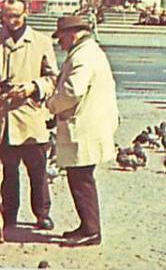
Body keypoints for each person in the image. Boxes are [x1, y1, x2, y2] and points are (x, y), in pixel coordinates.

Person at [0, 0, 58, 232]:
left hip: (31, 115)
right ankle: (9, 212)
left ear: (25, 14)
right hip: (4, 118)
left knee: (38, 170)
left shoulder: (41, 42)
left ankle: (42, 213)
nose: (11, 21)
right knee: (9, 171)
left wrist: (34, 87)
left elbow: (53, 78)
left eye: (16, 16)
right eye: (6, 16)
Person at [46, 15, 118, 247]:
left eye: (61, 38)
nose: (60, 43)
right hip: (93, 124)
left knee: (81, 179)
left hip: (85, 127)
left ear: (73, 34)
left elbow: (72, 91)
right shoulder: (90, 52)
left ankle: (91, 230)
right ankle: (86, 225)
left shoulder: (82, 57)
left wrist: (52, 104)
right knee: (81, 177)